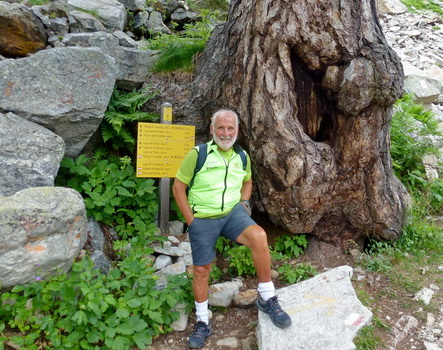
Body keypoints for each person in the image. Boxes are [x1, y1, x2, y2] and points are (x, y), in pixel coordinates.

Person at [173, 109, 292, 349]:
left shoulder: (241, 155)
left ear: (237, 131)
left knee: (259, 236)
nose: (226, 133)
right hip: (203, 218)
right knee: (202, 270)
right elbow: (178, 186)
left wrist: (244, 202)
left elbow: (247, 180)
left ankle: (267, 297)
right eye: (221, 128)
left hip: (231, 214)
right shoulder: (199, 154)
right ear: (212, 129)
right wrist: (191, 220)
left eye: (230, 129)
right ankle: (203, 321)